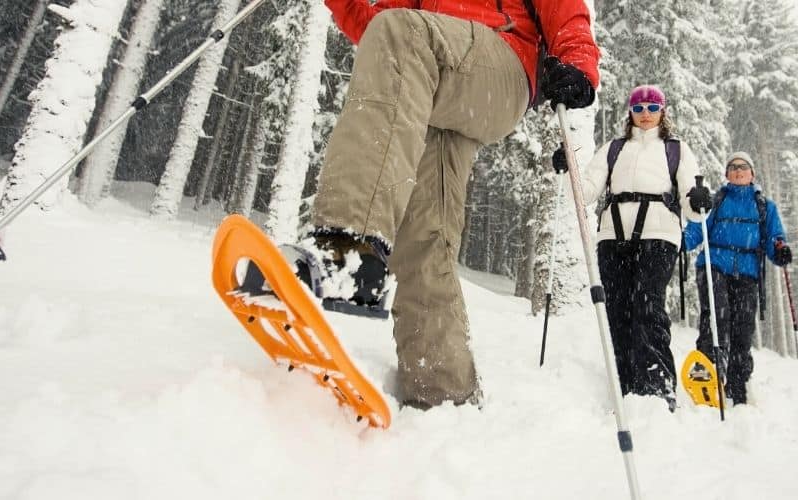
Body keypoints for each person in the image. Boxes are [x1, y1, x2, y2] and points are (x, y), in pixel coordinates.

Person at [254, 1, 600, 410]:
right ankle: (443, 391)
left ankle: (348, 246)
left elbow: (562, 6)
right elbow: (378, 36)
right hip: (439, 78)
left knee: (403, 34)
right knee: (424, 235)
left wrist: (578, 62)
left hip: (500, 61)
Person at [552, 85, 704, 410]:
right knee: (618, 311)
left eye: (652, 107)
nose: (645, 114)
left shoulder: (676, 150)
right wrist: (570, 170)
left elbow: (691, 202)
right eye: (639, 108)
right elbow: (586, 191)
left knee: (648, 306)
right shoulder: (614, 149)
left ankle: (656, 390)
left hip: (659, 235)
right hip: (613, 237)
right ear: (630, 113)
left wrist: (699, 200)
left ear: (663, 112)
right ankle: (625, 387)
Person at [683, 151, 792, 405]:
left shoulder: (764, 206)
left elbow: (774, 238)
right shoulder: (716, 201)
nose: (738, 170)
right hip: (715, 266)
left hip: (747, 272)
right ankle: (708, 376)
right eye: (733, 167)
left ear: (752, 174)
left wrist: (780, 250)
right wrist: (677, 242)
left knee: (743, 329)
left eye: (743, 167)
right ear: (727, 174)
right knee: (717, 318)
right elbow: (696, 231)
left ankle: (737, 384)